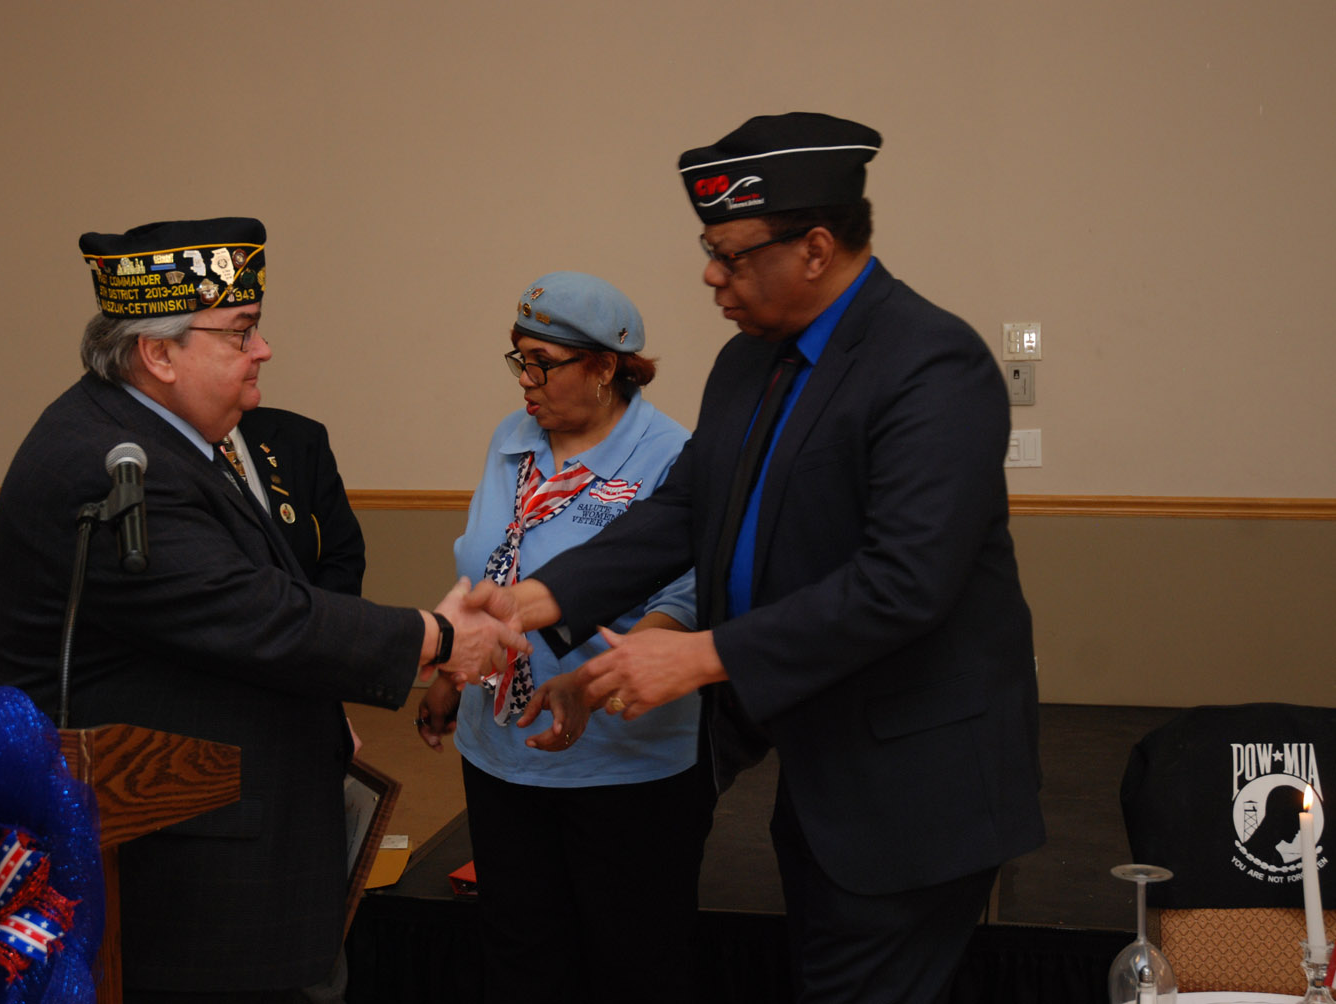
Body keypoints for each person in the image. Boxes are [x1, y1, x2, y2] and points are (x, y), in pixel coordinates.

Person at [468, 114, 1047, 1003]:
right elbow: (685, 509)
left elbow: (903, 583)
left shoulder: (932, 365)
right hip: (819, 764)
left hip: (912, 784)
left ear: (814, 249)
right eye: (710, 251)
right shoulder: (750, 363)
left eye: (731, 256)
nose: (711, 275)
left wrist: (699, 654)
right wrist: (536, 599)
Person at [0, 216, 526, 1004]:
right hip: (183, 872)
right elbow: (252, 613)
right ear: (159, 354)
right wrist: (435, 636)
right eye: (241, 332)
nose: (264, 350)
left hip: (229, 845)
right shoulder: (108, 463)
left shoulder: (159, 438)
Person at [418, 272, 711, 1004]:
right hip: (499, 752)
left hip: (619, 759)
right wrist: (453, 676)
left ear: (606, 366)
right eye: (519, 360)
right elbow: (486, 566)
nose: (526, 380)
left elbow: (686, 596)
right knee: (520, 953)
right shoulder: (511, 440)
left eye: (543, 363)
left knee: (630, 961)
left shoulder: (671, 454)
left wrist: (599, 676)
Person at [224, 405, 366, 595]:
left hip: (308, 609)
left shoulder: (299, 437)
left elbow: (343, 554)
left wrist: (316, 612)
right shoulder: (182, 452)